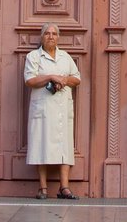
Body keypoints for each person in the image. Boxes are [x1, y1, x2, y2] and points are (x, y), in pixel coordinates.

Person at [24, 22, 82, 200]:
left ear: (58, 37)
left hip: (62, 108)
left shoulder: (65, 57)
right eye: (47, 33)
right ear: (42, 37)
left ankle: (64, 187)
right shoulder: (33, 56)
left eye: (54, 34)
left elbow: (77, 78)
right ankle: (42, 187)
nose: (51, 36)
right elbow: (30, 80)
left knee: (64, 146)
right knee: (40, 144)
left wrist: (63, 80)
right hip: (43, 108)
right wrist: (50, 76)